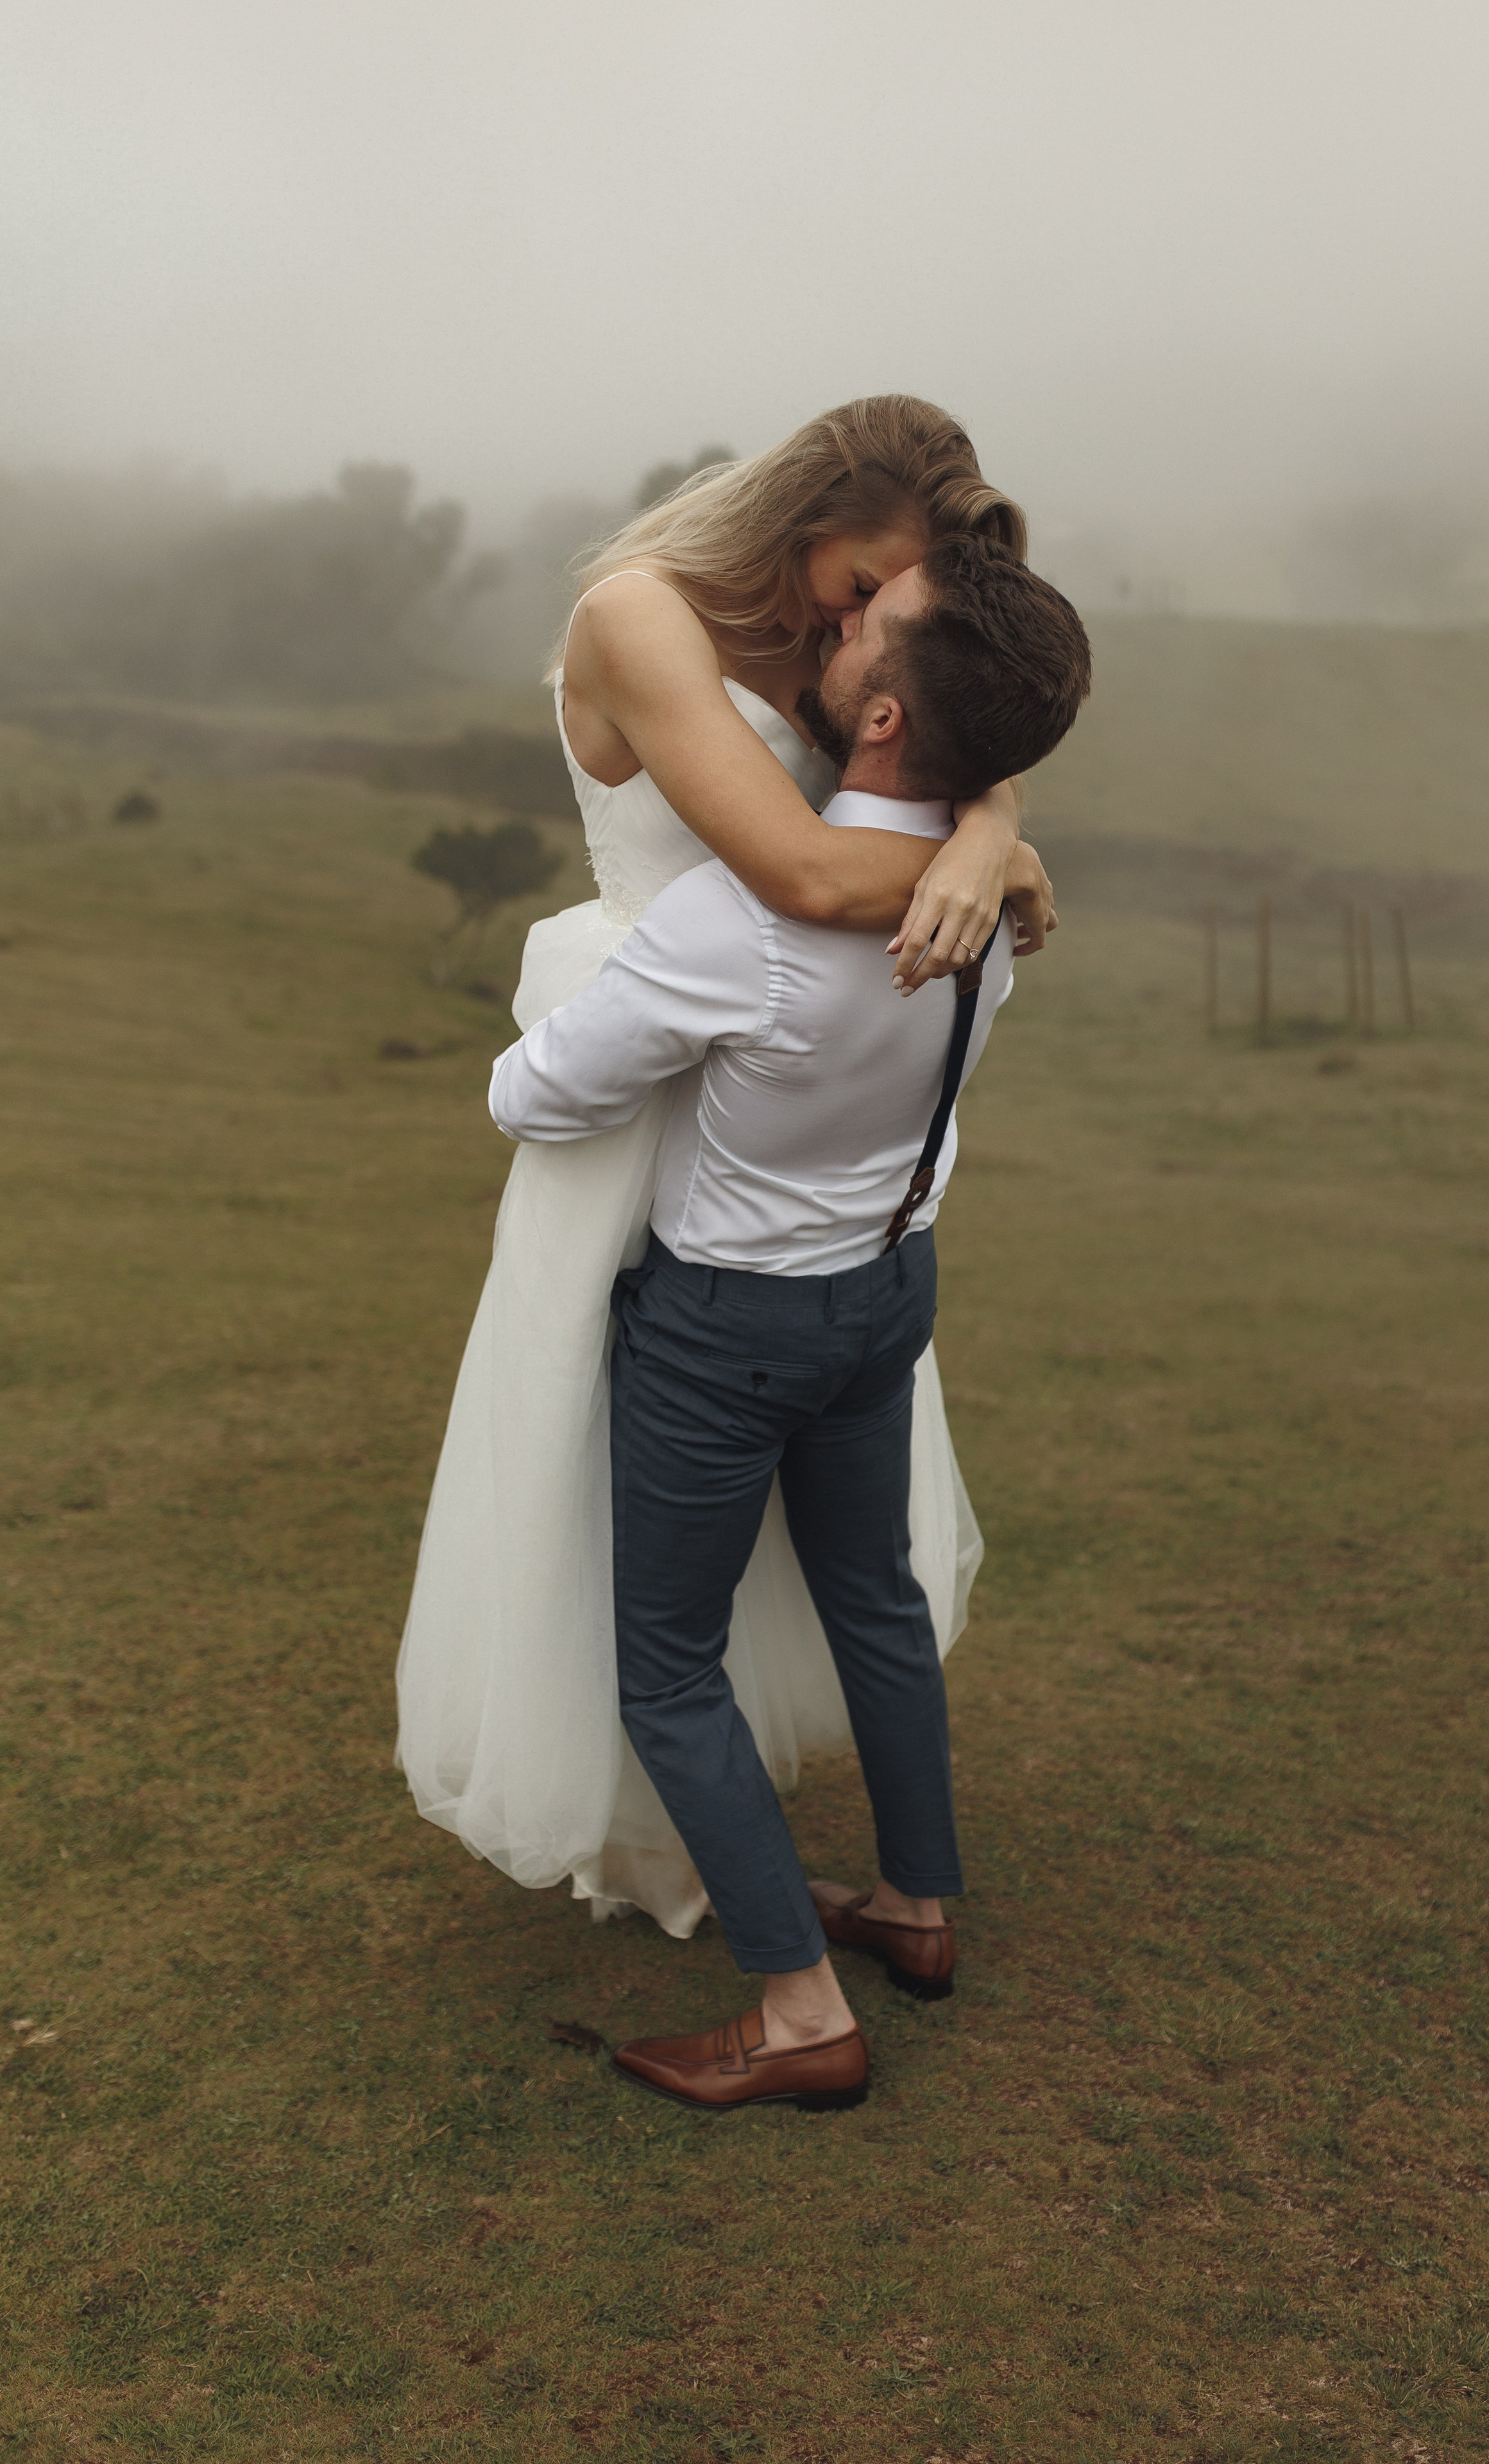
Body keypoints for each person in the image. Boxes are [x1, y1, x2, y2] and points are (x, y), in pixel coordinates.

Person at [395, 398, 1058, 1938]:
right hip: (655, 1069)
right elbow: (806, 869)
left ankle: (743, 1852)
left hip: (778, 1087)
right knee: (602, 1470)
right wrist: (982, 852)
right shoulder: (639, 614)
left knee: (738, 1502)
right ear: (810, 512)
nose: (858, 621)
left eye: (885, 607)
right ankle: (654, 1823)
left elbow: (952, 718)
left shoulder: (858, 648)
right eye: (862, 584)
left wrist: (995, 816)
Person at [489, 536, 1093, 2107]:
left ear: (880, 717)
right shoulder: (984, 901)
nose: (835, 625)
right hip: (886, 1294)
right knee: (874, 1598)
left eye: (864, 625)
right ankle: (914, 1905)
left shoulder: (730, 925)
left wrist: (570, 971)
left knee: (665, 1671)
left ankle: (799, 2011)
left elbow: (531, 1099)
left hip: (724, 1330)